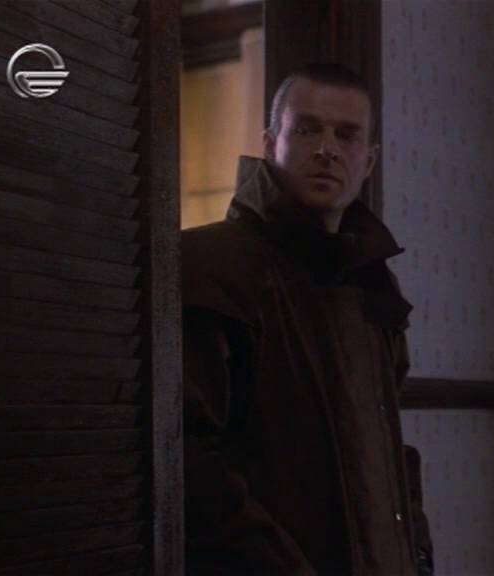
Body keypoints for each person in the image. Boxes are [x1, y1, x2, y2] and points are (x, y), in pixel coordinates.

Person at [181, 62, 433, 575]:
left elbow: (388, 450)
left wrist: (418, 557)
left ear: (368, 160)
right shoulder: (211, 265)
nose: (326, 149)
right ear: (270, 142)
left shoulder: (372, 287)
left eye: (347, 135)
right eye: (307, 129)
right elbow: (189, 457)